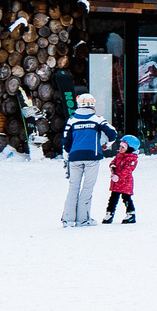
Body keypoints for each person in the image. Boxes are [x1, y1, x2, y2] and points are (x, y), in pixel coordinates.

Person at [60, 92, 115, 227]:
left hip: (74, 157)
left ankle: (68, 219)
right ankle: (83, 219)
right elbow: (112, 134)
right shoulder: (97, 119)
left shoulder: (72, 120)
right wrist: (106, 146)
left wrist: (66, 156)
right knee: (87, 188)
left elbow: (66, 141)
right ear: (92, 105)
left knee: (73, 187)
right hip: (92, 157)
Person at [104, 134, 140, 223]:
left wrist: (118, 176)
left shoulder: (131, 159)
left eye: (123, 147)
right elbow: (114, 161)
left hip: (125, 183)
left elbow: (127, 170)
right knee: (112, 198)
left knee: (126, 198)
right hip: (116, 182)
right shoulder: (119, 155)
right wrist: (112, 166)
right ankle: (109, 213)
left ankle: (130, 213)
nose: (120, 148)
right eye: (120, 146)